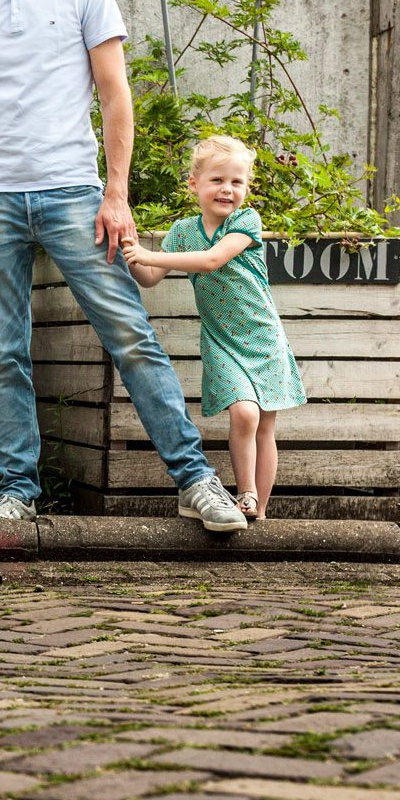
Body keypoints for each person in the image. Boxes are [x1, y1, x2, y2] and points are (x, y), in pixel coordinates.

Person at [0, 0, 245, 532]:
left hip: (74, 195)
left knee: (131, 335)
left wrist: (116, 192)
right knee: (5, 353)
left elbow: (115, 95)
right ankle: (17, 490)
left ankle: (195, 480)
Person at [125, 135, 305, 522]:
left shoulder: (245, 220)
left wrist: (148, 252)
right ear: (194, 184)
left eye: (237, 182)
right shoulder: (183, 231)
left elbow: (212, 260)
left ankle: (259, 512)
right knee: (244, 413)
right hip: (222, 341)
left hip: (263, 338)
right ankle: (246, 493)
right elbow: (150, 276)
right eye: (217, 180)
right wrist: (129, 251)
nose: (227, 189)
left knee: (264, 425)